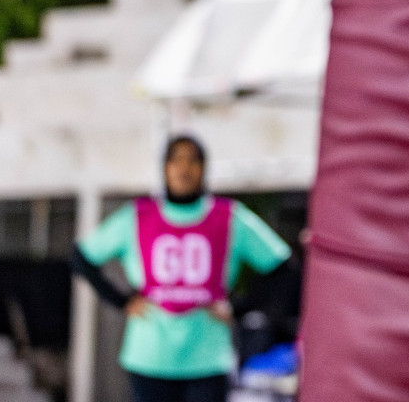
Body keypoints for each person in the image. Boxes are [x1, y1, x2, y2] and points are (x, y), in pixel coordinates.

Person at [71, 135, 292, 402]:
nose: (184, 168)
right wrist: (122, 301)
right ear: (165, 167)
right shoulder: (138, 215)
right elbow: (82, 258)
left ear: (203, 168)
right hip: (149, 357)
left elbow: (283, 266)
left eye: (193, 160)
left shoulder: (229, 216)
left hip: (208, 357)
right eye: (176, 159)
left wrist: (239, 306)